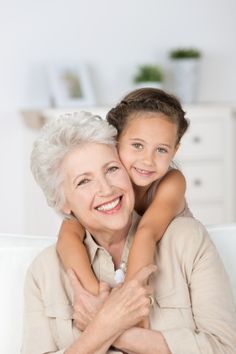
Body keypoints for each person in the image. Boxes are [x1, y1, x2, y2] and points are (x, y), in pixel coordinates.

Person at [22, 112, 236, 354]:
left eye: (112, 169)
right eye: (84, 181)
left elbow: (224, 348)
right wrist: (105, 326)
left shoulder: (187, 241)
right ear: (63, 202)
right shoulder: (44, 272)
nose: (106, 189)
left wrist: (108, 327)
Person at [57, 88, 192, 295]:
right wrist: (96, 296)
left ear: (175, 150)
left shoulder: (171, 182)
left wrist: (128, 300)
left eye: (162, 150)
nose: (148, 160)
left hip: (175, 272)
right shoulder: (107, 188)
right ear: (116, 141)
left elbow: (146, 233)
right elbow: (68, 238)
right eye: (137, 145)